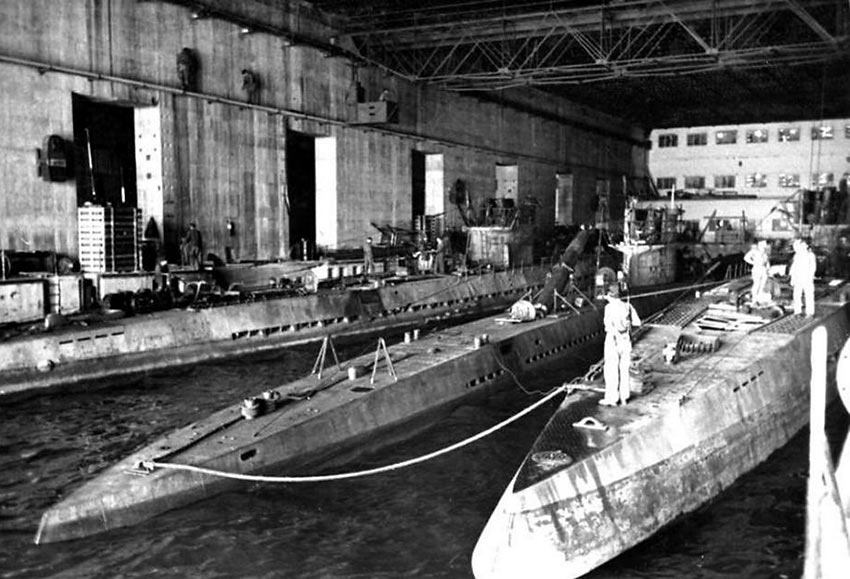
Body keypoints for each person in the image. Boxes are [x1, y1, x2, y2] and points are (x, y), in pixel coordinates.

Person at [601, 285, 641, 406]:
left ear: (610, 295)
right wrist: (626, 321)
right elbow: (637, 322)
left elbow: (607, 326)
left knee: (611, 369)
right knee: (624, 369)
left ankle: (612, 399)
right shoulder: (628, 306)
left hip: (612, 341)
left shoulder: (608, 308)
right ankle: (624, 398)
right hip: (626, 340)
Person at [790, 238, 817, 317]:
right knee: (797, 295)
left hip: (807, 278)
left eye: (801, 245)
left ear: (805, 245)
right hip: (798, 278)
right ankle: (797, 312)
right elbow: (793, 267)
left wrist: (810, 276)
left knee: (809, 295)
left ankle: (810, 313)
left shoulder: (810, 255)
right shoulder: (797, 255)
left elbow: (813, 267)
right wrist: (792, 278)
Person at [744, 239, 770, 305]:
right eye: (763, 244)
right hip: (757, 269)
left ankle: (759, 298)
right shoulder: (754, 251)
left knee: (763, 284)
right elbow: (746, 258)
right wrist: (753, 262)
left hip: (763, 269)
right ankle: (754, 299)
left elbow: (767, 261)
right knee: (757, 284)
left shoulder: (764, 253)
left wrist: (768, 267)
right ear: (759, 244)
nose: (765, 246)